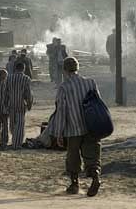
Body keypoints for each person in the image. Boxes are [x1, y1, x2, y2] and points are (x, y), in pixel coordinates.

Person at [50, 57, 102, 197]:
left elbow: (61, 111)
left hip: (73, 128)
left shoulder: (64, 87)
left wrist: (59, 133)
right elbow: (98, 103)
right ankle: (96, 177)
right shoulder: (90, 82)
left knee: (73, 157)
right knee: (92, 156)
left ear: (64, 71)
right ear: (78, 68)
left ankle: (74, 184)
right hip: (91, 127)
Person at [5, 62, 33, 149]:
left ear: (15, 68)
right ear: (23, 69)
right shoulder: (26, 78)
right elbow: (28, 93)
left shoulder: (9, 78)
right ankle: (17, 144)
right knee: (20, 124)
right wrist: (29, 103)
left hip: (11, 104)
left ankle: (14, 140)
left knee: (13, 124)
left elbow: (6, 92)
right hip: (21, 104)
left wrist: (5, 104)